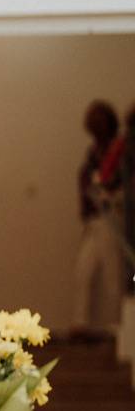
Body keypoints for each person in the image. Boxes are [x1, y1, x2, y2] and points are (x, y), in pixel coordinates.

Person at [73, 100, 126, 338]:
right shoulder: (93, 153)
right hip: (93, 220)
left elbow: (117, 182)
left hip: (110, 218)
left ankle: (117, 327)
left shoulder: (118, 151)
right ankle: (81, 323)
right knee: (83, 271)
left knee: (112, 275)